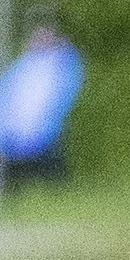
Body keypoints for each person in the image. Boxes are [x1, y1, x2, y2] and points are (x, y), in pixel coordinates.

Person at [0, 14, 85, 186]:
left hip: (41, 132)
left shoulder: (62, 63)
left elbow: (58, 98)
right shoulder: (25, 65)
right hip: (15, 131)